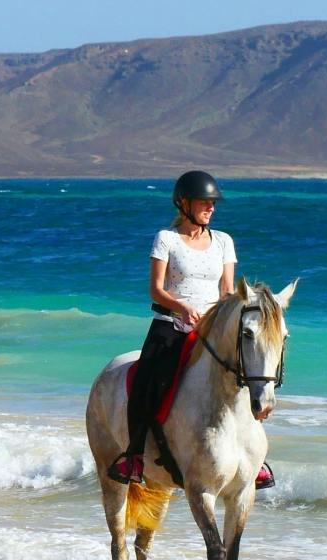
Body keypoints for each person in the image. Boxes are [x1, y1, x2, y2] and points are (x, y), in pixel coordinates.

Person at [106, 171, 274, 490]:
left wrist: (230, 313)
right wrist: (182, 307)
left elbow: (227, 289)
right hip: (171, 325)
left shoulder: (223, 241)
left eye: (213, 203)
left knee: (247, 376)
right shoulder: (166, 239)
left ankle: (254, 458)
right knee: (147, 381)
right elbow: (156, 290)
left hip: (211, 330)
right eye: (204, 203)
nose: (210, 208)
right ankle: (134, 456)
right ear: (184, 204)